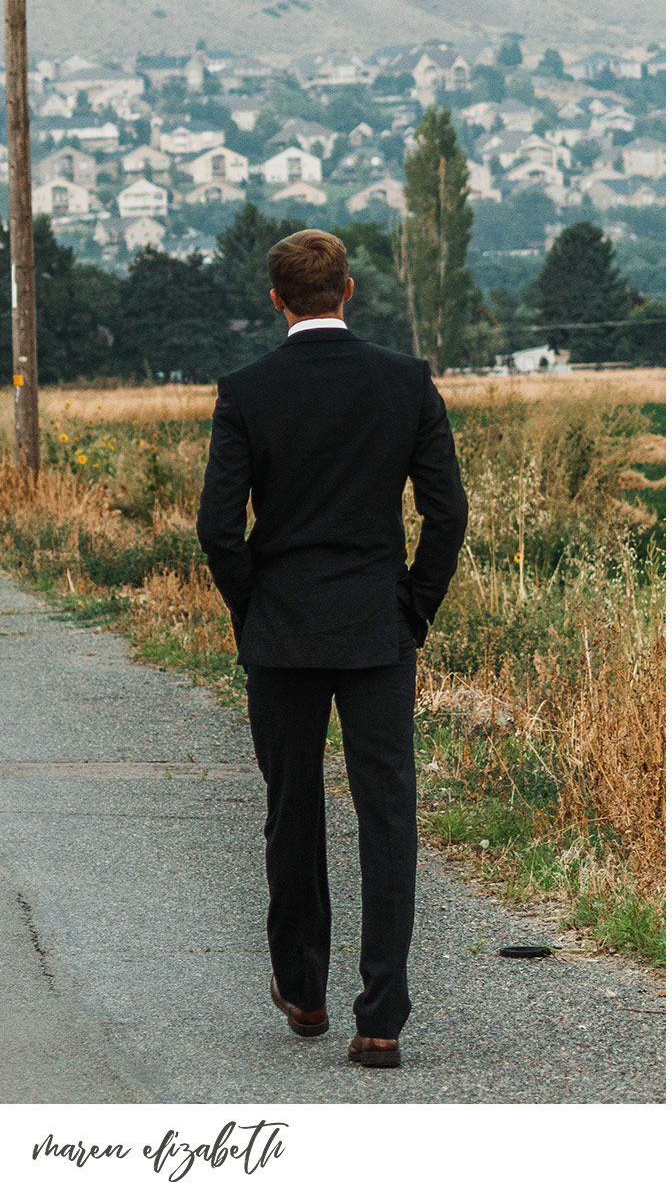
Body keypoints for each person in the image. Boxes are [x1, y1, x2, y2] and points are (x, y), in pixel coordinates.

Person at [196, 229, 468, 1068]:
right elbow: (446, 513)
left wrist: (255, 607)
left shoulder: (246, 390)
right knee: (388, 815)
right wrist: (411, 610)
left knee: (294, 807)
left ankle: (304, 989)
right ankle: (381, 1016)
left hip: (283, 630)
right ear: (348, 289)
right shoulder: (404, 381)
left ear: (276, 299)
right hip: (377, 629)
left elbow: (218, 525)